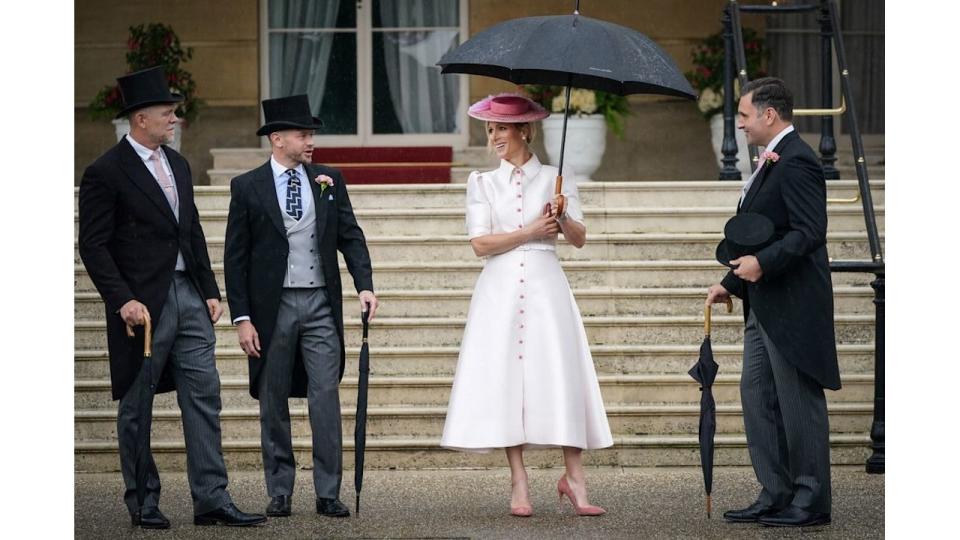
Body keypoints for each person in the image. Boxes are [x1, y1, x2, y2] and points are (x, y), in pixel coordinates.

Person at [78, 66, 266, 528]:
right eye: (167, 113)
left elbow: (192, 231)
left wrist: (209, 289)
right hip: (142, 306)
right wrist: (121, 299)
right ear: (141, 118)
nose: (175, 119)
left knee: (205, 396)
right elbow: (93, 245)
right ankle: (143, 500)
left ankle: (212, 499)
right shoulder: (105, 171)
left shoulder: (178, 165)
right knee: (138, 404)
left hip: (189, 298)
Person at [440, 93, 613, 517]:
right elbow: (480, 244)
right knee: (507, 380)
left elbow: (578, 239)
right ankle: (519, 481)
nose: (495, 136)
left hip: (546, 286)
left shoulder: (558, 176)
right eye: (491, 129)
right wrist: (531, 228)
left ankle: (574, 479)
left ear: (525, 130)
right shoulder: (481, 182)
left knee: (560, 374)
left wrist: (563, 215)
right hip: (499, 289)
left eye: (502, 128)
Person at [223, 94, 378, 518]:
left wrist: (364, 285)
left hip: (320, 303)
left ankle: (328, 491)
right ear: (277, 139)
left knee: (325, 396)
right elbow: (234, 258)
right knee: (272, 399)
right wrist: (242, 318)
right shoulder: (247, 186)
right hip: (272, 309)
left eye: (310, 134)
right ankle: (280, 489)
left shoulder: (329, 179)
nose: (310, 141)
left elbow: (350, 235)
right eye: (302, 134)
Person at [706, 77, 839, 528]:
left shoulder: (798, 160)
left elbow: (809, 231)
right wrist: (733, 281)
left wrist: (761, 264)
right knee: (756, 396)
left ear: (768, 115)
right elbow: (765, 229)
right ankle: (776, 491)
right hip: (762, 303)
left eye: (743, 115)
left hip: (794, 304)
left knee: (798, 401)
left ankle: (811, 498)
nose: (739, 124)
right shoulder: (769, 162)